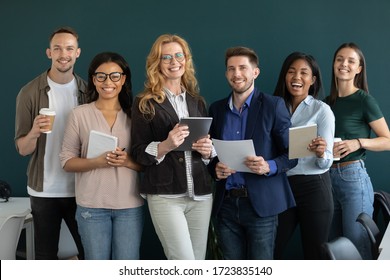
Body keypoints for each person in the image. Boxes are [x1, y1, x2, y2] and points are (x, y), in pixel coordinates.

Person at [208, 46, 298, 260]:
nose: (236, 74)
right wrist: (214, 168)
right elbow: (210, 154)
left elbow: (293, 154)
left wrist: (269, 166)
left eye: (242, 68)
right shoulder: (216, 110)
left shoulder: (273, 106)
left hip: (262, 206)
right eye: (231, 69)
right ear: (226, 74)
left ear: (255, 72)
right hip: (226, 206)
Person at [130, 34, 214, 260]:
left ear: (186, 60)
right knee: (183, 263)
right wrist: (167, 144)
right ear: (156, 63)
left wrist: (208, 151)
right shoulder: (144, 102)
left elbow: (206, 151)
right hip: (165, 194)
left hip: (200, 194)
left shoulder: (197, 101)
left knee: (198, 263)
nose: (173, 61)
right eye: (165, 57)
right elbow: (138, 152)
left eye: (179, 55)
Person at [60, 52, 145, 260]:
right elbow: (66, 161)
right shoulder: (79, 114)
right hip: (91, 207)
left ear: (123, 79)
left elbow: (148, 164)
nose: (108, 82)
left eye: (115, 76)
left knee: (126, 267)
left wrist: (127, 162)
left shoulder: (138, 115)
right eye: (101, 76)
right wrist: (96, 162)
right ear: (93, 80)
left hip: (129, 206)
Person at [14, 26, 85, 259]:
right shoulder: (29, 92)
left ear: (77, 53)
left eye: (69, 48)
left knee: (92, 255)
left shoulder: (88, 91)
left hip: (82, 190)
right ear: (49, 53)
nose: (63, 53)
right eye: (57, 48)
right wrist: (34, 131)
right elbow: (23, 149)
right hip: (44, 192)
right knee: (45, 258)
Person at [325, 42, 390, 259]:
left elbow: (388, 140)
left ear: (359, 69)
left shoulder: (364, 100)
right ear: (334, 64)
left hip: (353, 178)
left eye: (351, 61)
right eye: (339, 59)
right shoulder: (326, 103)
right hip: (326, 179)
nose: (344, 64)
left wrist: (358, 142)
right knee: (335, 251)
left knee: (357, 249)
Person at [273, 52, 335, 259]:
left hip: (314, 186)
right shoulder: (274, 108)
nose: (296, 77)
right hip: (282, 186)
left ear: (312, 80)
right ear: (284, 76)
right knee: (271, 248)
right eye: (291, 72)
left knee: (315, 254)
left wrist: (320, 152)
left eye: (303, 73)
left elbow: (326, 161)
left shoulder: (322, 110)